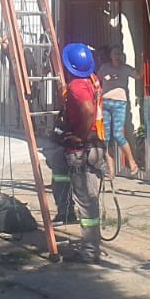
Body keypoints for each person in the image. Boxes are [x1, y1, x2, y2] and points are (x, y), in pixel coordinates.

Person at [47, 42, 105, 263]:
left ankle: (90, 252)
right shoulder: (92, 81)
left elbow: (88, 111)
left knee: (87, 201)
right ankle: (66, 212)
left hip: (83, 147)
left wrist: (78, 136)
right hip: (95, 144)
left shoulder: (77, 87)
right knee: (86, 195)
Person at [97, 45, 140, 177]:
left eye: (118, 54)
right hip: (106, 102)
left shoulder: (125, 68)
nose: (116, 56)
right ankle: (111, 171)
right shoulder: (105, 67)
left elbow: (139, 76)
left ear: (121, 56)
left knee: (118, 135)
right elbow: (97, 80)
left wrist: (142, 59)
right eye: (114, 53)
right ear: (111, 56)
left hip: (120, 103)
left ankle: (132, 162)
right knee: (107, 137)